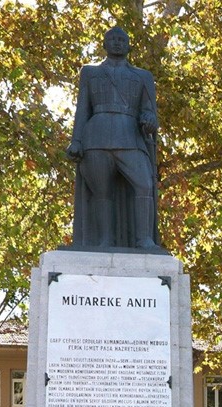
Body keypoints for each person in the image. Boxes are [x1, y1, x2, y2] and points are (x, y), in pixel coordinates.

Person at [66, 26, 158, 249]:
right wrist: (76, 140)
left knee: (144, 185)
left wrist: (149, 120)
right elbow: (82, 110)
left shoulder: (143, 76)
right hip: (95, 138)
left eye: (122, 39)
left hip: (130, 137)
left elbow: (149, 110)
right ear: (104, 44)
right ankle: (104, 241)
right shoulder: (90, 73)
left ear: (128, 45)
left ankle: (144, 239)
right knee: (101, 192)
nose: (117, 43)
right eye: (113, 39)